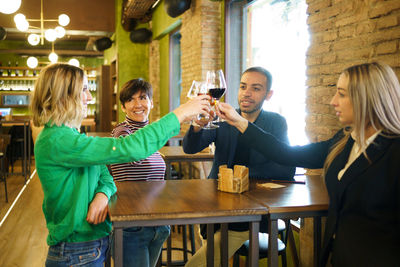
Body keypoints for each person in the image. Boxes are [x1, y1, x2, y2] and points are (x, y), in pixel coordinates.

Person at [216, 62, 400, 267]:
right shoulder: (346, 140)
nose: (333, 102)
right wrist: (240, 122)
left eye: (341, 94)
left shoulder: (394, 151)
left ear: (367, 98)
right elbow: (287, 154)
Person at [31, 63, 211, 267]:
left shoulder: (69, 135)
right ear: (63, 95)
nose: (89, 97)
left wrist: (102, 195)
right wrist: (181, 113)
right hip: (75, 250)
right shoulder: (57, 140)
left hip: (90, 244)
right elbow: (130, 148)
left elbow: (105, 175)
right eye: (84, 90)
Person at [183, 67, 295, 267]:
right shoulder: (224, 117)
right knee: (212, 250)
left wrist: (237, 177)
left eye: (256, 88)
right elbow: (190, 148)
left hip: (252, 211)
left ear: (268, 95)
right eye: (243, 86)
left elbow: (285, 169)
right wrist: (198, 124)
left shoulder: (276, 123)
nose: (247, 93)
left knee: (203, 260)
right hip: (214, 206)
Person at [109, 79, 169, 267]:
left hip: (157, 222)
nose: (137, 104)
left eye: (143, 98)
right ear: (123, 106)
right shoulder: (122, 132)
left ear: (151, 102)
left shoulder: (150, 133)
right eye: (130, 100)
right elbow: (134, 154)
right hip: (131, 224)